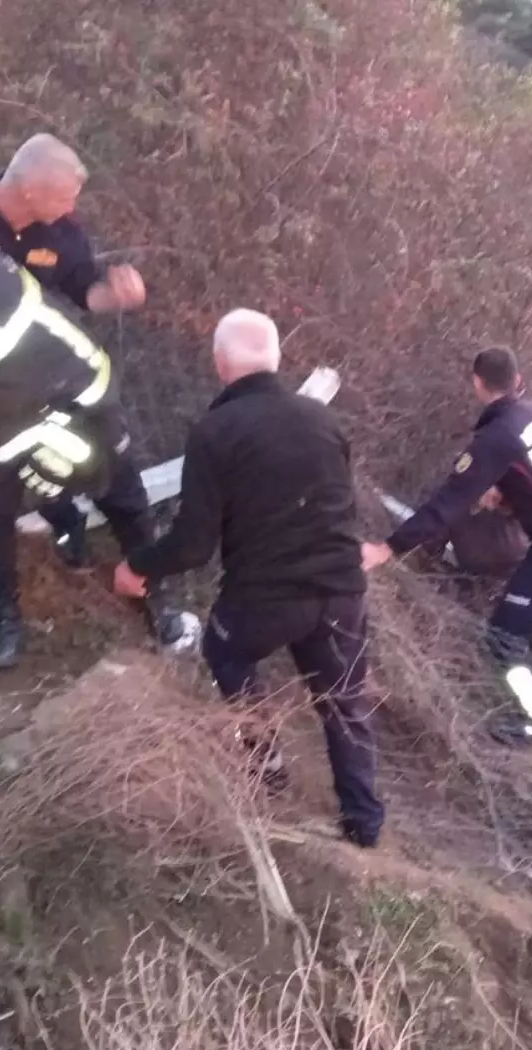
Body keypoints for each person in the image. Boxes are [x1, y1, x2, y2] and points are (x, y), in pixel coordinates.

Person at [0, 133, 185, 651]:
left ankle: (154, 592)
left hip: (45, 369)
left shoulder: (63, 234)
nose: (72, 209)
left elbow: (85, 292)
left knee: (119, 487)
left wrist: (113, 297)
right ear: (28, 190)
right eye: (64, 197)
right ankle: (2, 615)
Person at [112, 310, 384, 849]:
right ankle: (365, 822)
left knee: (226, 653)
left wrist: (136, 566)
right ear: (277, 360)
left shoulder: (215, 431)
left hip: (265, 598)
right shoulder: (325, 421)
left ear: (220, 363)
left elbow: (193, 544)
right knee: (343, 701)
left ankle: (265, 769)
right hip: (340, 590)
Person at [362, 346, 532, 746]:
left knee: (503, 637)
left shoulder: (496, 439)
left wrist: (388, 547)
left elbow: (448, 503)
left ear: (477, 382)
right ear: (518, 380)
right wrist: (510, 498)